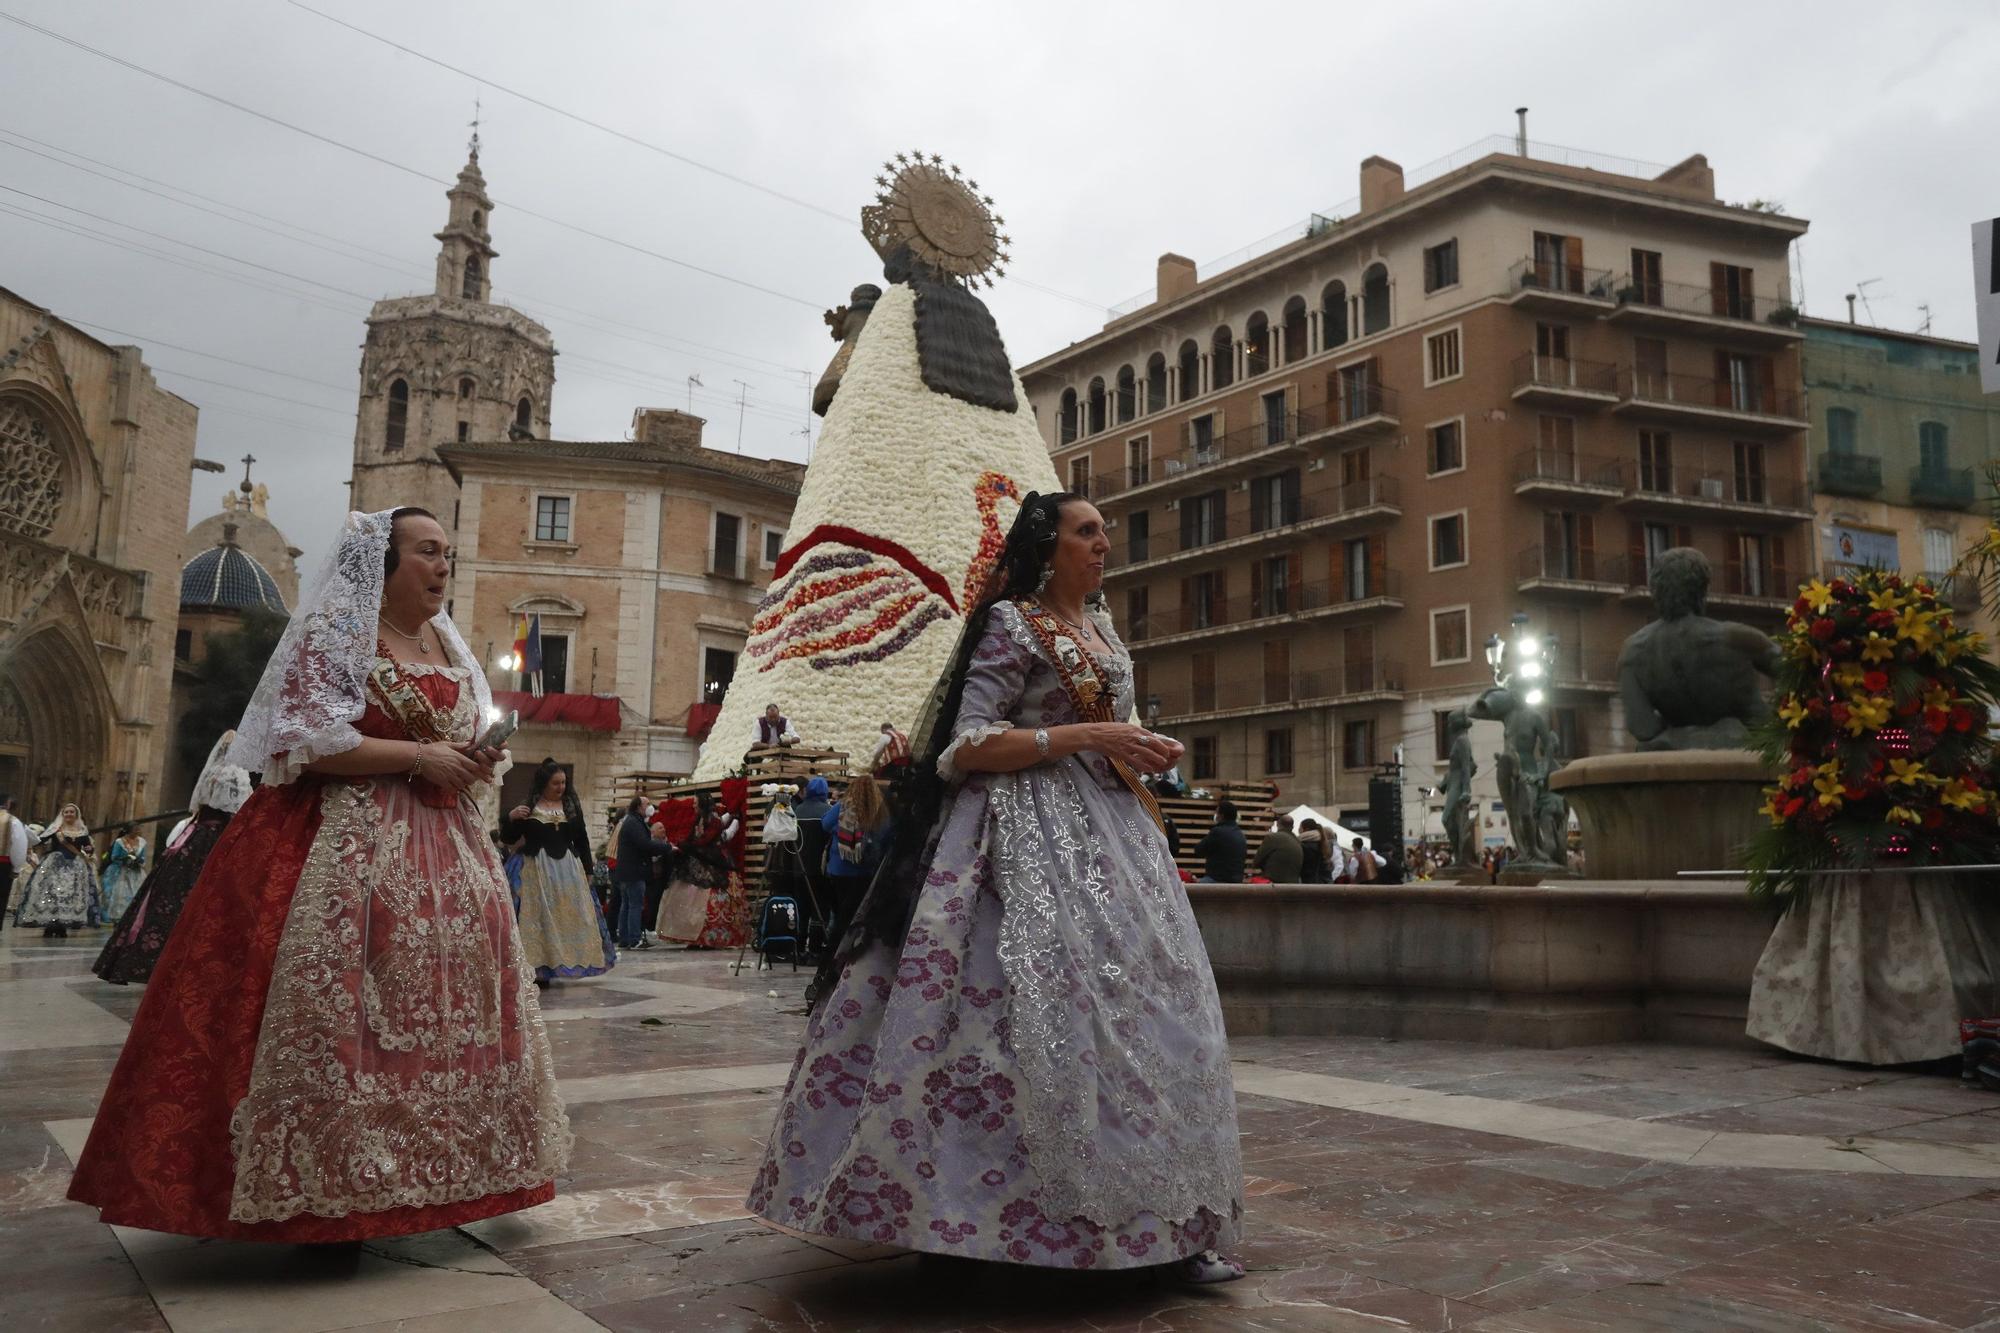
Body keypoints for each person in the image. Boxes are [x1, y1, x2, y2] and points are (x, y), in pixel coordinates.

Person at [748, 490, 1245, 1283]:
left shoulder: (1104, 631)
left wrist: (1141, 744)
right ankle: (971, 1225)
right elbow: (967, 743)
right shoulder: (1014, 623)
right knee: (1002, 1020)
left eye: (1105, 533)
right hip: (1018, 835)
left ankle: (1160, 1224)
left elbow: (1107, 731)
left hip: (1113, 839)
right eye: (1087, 532)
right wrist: (1086, 733)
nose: (1103, 544)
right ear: (1049, 548)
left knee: (1145, 1015)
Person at [68, 506, 569, 1242]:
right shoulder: (339, 635)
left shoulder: (448, 643)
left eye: (448, 553)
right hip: (339, 845)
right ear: (384, 563)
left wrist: (471, 756)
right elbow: (303, 740)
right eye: (427, 552)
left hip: (448, 854)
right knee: (335, 1011)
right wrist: (417, 756)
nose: (442, 566)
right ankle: (326, 1189)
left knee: (445, 1016)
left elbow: (455, 736)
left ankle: (443, 1169)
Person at [94, 733, 254, 985]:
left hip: (195, 837)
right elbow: (238, 812)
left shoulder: (211, 772)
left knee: (169, 893)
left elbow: (198, 809)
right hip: (218, 838)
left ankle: (143, 957)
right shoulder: (236, 774)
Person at [506, 759, 616, 984]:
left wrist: (588, 870)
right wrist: (511, 817)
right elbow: (509, 838)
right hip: (534, 872)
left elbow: (582, 840)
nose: (561, 787)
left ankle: (559, 964)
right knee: (539, 919)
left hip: (567, 873)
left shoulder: (570, 808)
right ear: (544, 784)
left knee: (564, 917)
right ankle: (537, 969)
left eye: (563, 782)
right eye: (556, 783)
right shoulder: (528, 807)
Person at [656, 790, 750, 949]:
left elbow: (707, 839)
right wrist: (683, 845)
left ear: (702, 804)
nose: (693, 805)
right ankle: (693, 938)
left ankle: (709, 938)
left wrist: (688, 846)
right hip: (698, 858)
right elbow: (693, 837)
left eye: (695, 802)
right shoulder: (699, 818)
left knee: (708, 895)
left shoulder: (713, 820)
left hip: (713, 860)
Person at [819, 771, 891, 941]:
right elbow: (887, 834)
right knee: (858, 914)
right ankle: (851, 948)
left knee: (840, 915)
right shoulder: (879, 809)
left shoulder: (843, 806)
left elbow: (825, 825)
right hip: (866, 871)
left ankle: (835, 951)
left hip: (840, 869)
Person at [15, 804, 97, 937]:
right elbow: (39, 841)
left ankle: (62, 925)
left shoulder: (82, 830)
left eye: (72, 812)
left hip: (74, 867)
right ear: (62, 814)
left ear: (76, 814)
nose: (69, 814)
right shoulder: (55, 829)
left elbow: (88, 846)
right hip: (55, 865)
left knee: (69, 896)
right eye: (66, 812)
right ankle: (49, 924)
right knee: (52, 895)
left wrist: (89, 849)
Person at [611, 795, 675, 950]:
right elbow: (644, 844)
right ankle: (634, 939)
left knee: (627, 905)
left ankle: (625, 939)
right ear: (639, 806)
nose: (650, 807)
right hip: (634, 871)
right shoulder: (634, 823)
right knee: (635, 905)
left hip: (627, 871)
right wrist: (667, 848)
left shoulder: (633, 821)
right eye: (647, 804)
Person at [98, 824, 148, 923]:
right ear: (128, 831)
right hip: (120, 871)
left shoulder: (142, 842)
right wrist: (125, 860)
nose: (138, 831)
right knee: (119, 894)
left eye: (138, 829)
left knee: (135, 893)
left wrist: (138, 861)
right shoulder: (120, 842)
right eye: (135, 829)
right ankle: (117, 916)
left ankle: (132, 916)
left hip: (135, 872)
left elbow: (142, 857)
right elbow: (114, 857)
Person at [1194, 800, 1247, 884]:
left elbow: (1199, 850)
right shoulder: (1240, 834)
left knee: (1192, 893)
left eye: (1217, 813)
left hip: (1217, 880)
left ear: (1221, 815)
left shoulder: (1217, 832)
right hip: (1237, 881)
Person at [1252, 814, 1303, 883]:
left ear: (1278, 825)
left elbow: (1256, 862)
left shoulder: (1272, 838)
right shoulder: (1297, 841)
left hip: (1274, 884)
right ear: (1293, 827)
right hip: (1293, 884)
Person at [0, 794, 25, 927]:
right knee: (1, 896)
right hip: (2, 864)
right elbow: (19, 845)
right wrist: (16, 868)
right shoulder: (12, 820)